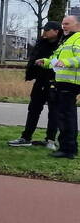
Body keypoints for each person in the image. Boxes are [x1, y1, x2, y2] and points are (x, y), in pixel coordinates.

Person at [8, 21, 61, 149]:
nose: (44, 32)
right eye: (44, 30)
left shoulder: (62, 45)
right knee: (33, 109)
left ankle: (50, 140)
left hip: (55, 82)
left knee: (54, 112)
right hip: (40, 80)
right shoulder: (41, 43)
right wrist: (31, 73)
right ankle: (26, 137)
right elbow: (33, 59)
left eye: (47, 30)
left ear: (56, 31)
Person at [37, 15, 80, 159]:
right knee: (65, 116)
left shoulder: (78, 39)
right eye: (63, 24)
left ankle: (67, 150)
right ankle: (69, 148)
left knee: (66, 116)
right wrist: (46, 62)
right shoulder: (66, 40)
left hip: (71, 83)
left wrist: (66, 62)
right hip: (62, 82)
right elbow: (57, 60)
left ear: (77, 25)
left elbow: (76, 59)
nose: (64, 26)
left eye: (67, 24)